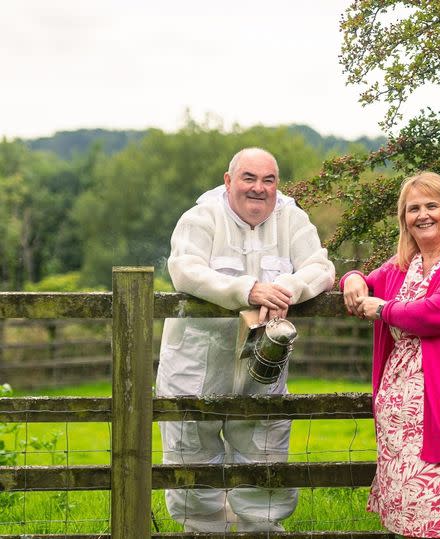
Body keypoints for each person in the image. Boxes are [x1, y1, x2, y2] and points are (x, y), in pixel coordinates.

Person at [156, 147, 335, 533]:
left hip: (262, 364)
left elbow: (320, 267)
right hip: (196, 362)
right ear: (228, 181)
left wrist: (286, 287)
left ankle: (263, 530)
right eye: (249, 178)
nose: (259, 188)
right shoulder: (201, 217)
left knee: (264, 452)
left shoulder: (292, 217)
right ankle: (203, 531)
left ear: (277, 184)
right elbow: (185, 271)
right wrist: (249, 290)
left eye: (268, 180)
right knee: (192, 453)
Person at [341, 171, 440, 538]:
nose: (423, 214)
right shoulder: (405, 265)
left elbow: (437, 312)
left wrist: (383, 309)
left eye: (432, 205)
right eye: (413, 208)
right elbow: (364, 281)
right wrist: (352, 278)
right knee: (409, 523)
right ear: (404, 219)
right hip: (403, 421)